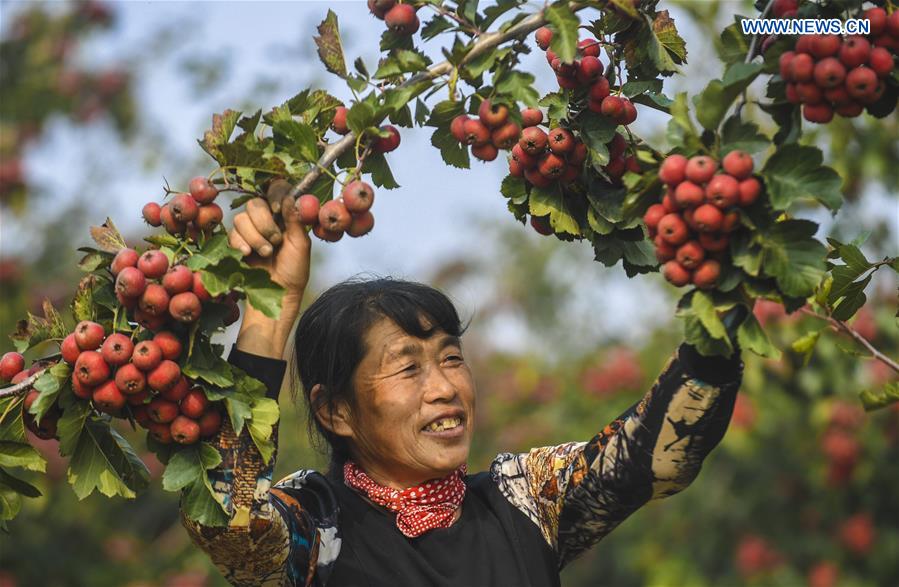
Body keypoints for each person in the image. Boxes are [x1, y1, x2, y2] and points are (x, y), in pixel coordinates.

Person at [182, 194, 743, 586]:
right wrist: (269, 305)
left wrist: (718, 309)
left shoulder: (524, 498)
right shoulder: (315, 523)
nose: (445, 386)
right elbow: (225, 516)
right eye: (408, 368)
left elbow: (652, 459)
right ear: (336, 412)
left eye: (451, 358)